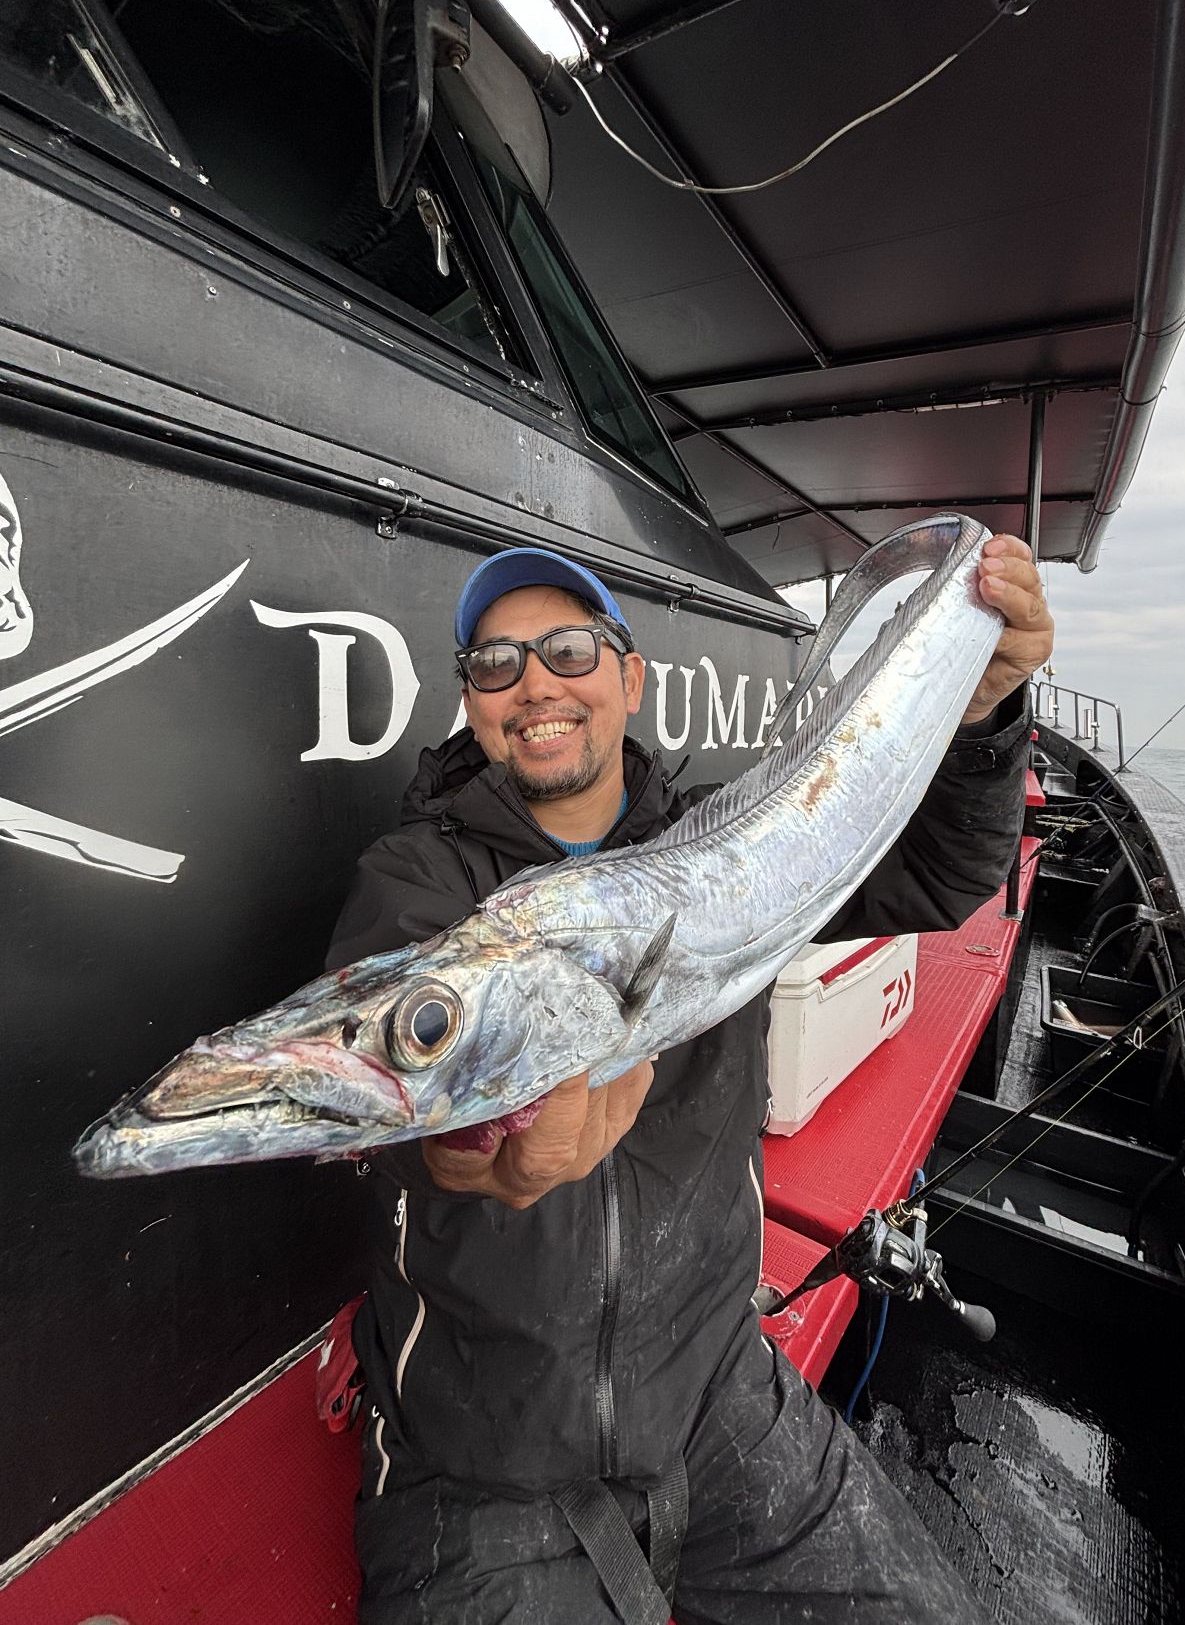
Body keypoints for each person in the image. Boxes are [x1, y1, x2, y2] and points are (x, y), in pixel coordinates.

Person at [328, 536, 1053, 1624]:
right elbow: (405, 1098)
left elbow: (941, 874)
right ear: (471, 703)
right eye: (496, 663)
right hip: (482, 1454)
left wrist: (984, 717)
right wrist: (473, 1158)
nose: (535, 682)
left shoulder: (736, 844)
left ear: (629, 678)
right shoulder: (417, 880)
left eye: (570, 650)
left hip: (719, 1391)